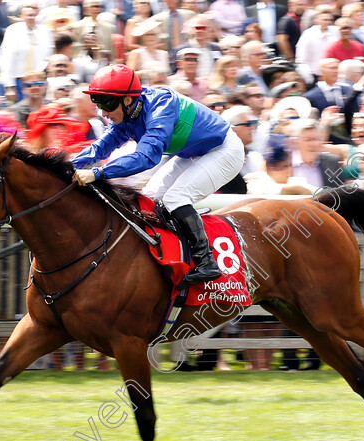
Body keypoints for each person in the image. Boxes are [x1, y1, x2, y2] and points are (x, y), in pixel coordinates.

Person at [71, 64, 244, 285]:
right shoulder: (126, 113)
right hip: (193, 153)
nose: (103, 112)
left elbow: (146, 158)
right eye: (98, 104)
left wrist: (98, 173)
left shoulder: (160, 107)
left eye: (107, 104)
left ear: (127, 99)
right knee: (149, 199)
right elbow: (99, 149)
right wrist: (66, 166)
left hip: (224, 149)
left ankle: (206, 262)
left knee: (176, 198)